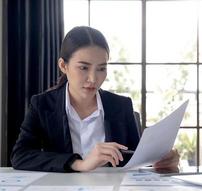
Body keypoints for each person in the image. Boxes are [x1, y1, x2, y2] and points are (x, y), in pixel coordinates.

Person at [11, 26, 180, 172]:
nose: (93, 78)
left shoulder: (121, 106)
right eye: (83, 67)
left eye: (101, 69)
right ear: (63, 66)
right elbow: (20, 156)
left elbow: (135, 159)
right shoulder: (42, 105)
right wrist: (79, 164)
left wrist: (160, 161)